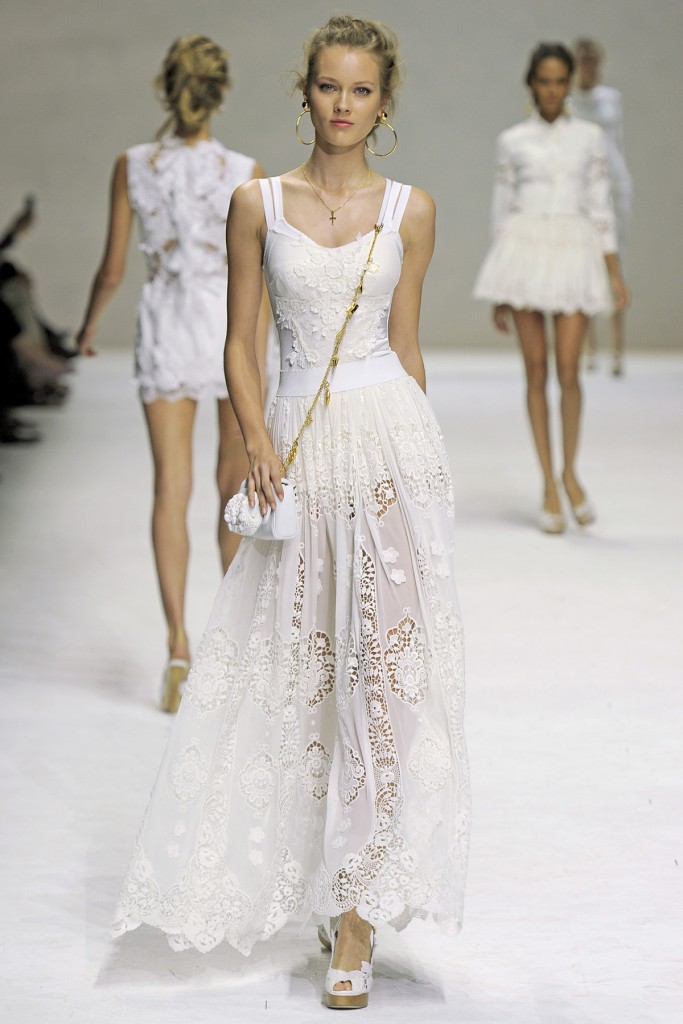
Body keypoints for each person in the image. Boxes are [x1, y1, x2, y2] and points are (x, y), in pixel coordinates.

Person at [113, 14, 470, 1011]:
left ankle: (356, 915)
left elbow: (405, 348)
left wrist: (424, 480)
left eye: (360, 90)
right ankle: (326, 875)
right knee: (299, 676)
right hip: (298, 456)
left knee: (382, 681)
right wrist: (257, 437)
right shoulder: (256, 202)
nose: (341, 104)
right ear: (303, 90)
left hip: (388, 449)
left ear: (383, 102)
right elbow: (239, 340)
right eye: (327, 86)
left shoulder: (411, 209)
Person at [75, 36, 268, 711]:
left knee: (170, 488)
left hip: (165, 324)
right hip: (228, 331)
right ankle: (232, 646)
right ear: (221, 91)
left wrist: (87, 328)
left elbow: (112, 270)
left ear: (166, 87)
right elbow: (256, 277)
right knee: (233, 488)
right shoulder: (245, 172)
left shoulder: (132, 165)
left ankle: (179, 651)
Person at [473, 42, 629, 534]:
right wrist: (500, 283)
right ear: (532, 83)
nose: (553, 89)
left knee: (569, 372)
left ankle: (570, 473)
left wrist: (614, 271)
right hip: (522, 252)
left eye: (561, 80)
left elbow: (601, 205)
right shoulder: (512, 141)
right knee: (536, 372)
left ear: (569, 83)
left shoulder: (590, 138)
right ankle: (547, 481)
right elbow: (501, 210)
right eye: (545, 80)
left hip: (575, 249)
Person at [573, 37, 633, 376]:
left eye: (593, 60)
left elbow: (617, 142)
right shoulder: (568, 101)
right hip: (581, 188)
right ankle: (589, 348)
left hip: (614, 183)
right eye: (583, 61)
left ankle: (618, 350)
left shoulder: (612, 98)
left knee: (616, 260)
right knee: (584, 262)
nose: (589, 67)